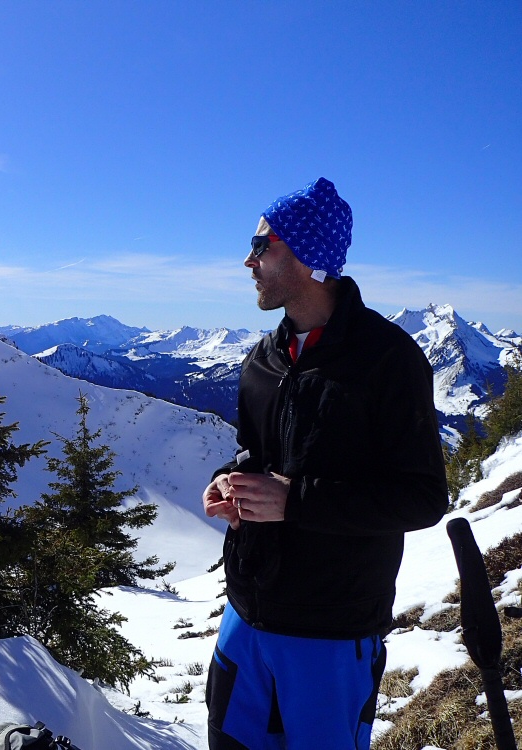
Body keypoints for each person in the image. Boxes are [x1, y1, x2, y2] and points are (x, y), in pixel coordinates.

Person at [201, 177, 446, 749]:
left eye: (262, 245)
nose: (248, 259)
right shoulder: (261, 360)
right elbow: (254, 453)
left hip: (330, 633)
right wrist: (230, 484)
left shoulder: (389, 361)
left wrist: (295, 499)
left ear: (308, 256)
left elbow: (424, 497)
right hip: (245, 617)